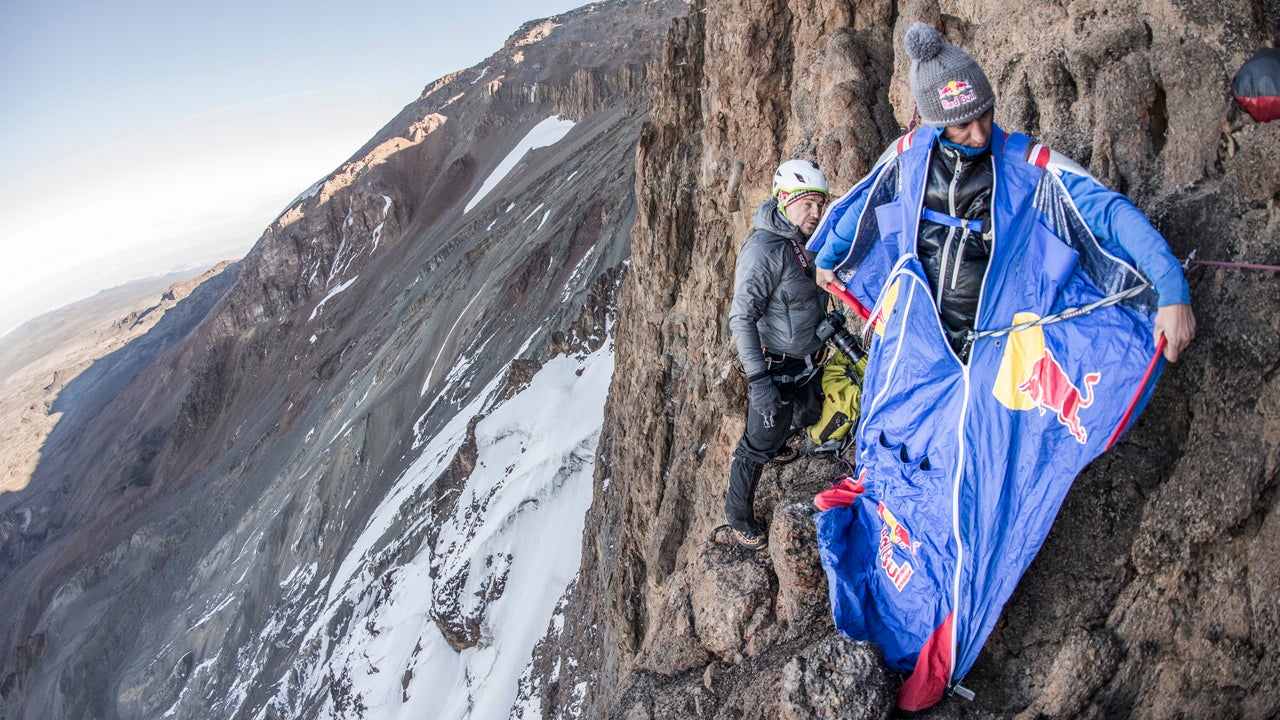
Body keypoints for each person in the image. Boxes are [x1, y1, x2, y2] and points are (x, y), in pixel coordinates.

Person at [807, 23, 1196, 711]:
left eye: (984, 115)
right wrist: (828, 255)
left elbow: (1111, 214)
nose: (979, 133)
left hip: (992, 352)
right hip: (920, 347)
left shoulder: (1032, 167)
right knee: (893, 462)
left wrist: (1171, 289)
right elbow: (854, 211)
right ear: (931, 123)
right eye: (961, 125)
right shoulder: (908, 158)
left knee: (983, 484)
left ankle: (951, 604)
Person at [724, 159, 831, 550]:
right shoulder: (763, 251)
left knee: (805, 412)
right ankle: (737, 515)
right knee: (757, 444)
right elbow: (742, 319)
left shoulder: (806, 236)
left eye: (820, 202)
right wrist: (758, 382)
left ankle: (781, 438)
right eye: (806, 203)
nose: (816, 212)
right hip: (777, 365)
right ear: (784, 200)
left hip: (806, 357)